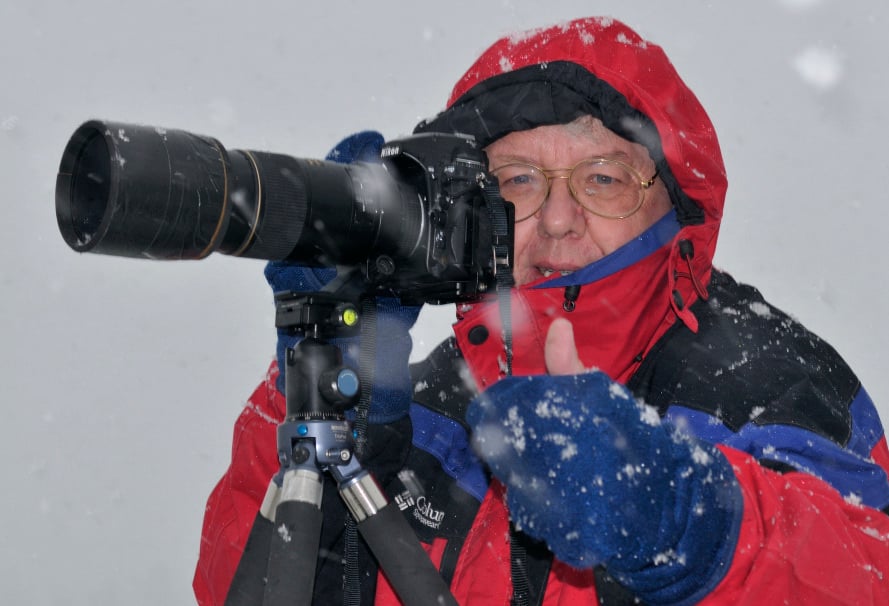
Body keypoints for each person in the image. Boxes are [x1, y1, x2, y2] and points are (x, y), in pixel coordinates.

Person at [194, 16, 889, 605]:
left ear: (674, 210)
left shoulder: (759, 379)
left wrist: (686, 519)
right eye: (518, 181)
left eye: (603, 178)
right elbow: (244, 587)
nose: (558, 220)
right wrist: (317, 405)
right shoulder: (429, 409)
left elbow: (867, 572)